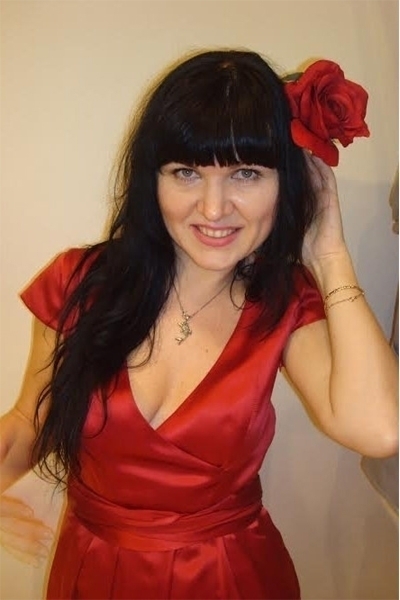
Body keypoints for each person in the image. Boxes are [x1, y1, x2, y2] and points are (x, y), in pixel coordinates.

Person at [0, 48, 398, 600]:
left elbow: (379, 430)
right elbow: (29, 420)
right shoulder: (80, 282)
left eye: (245, 174)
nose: (213, 208)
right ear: (153, 179)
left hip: (228, 578)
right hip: (91, 572)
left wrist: (329, 250)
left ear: (288, 183)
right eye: (186, 172)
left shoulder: (285, 300)